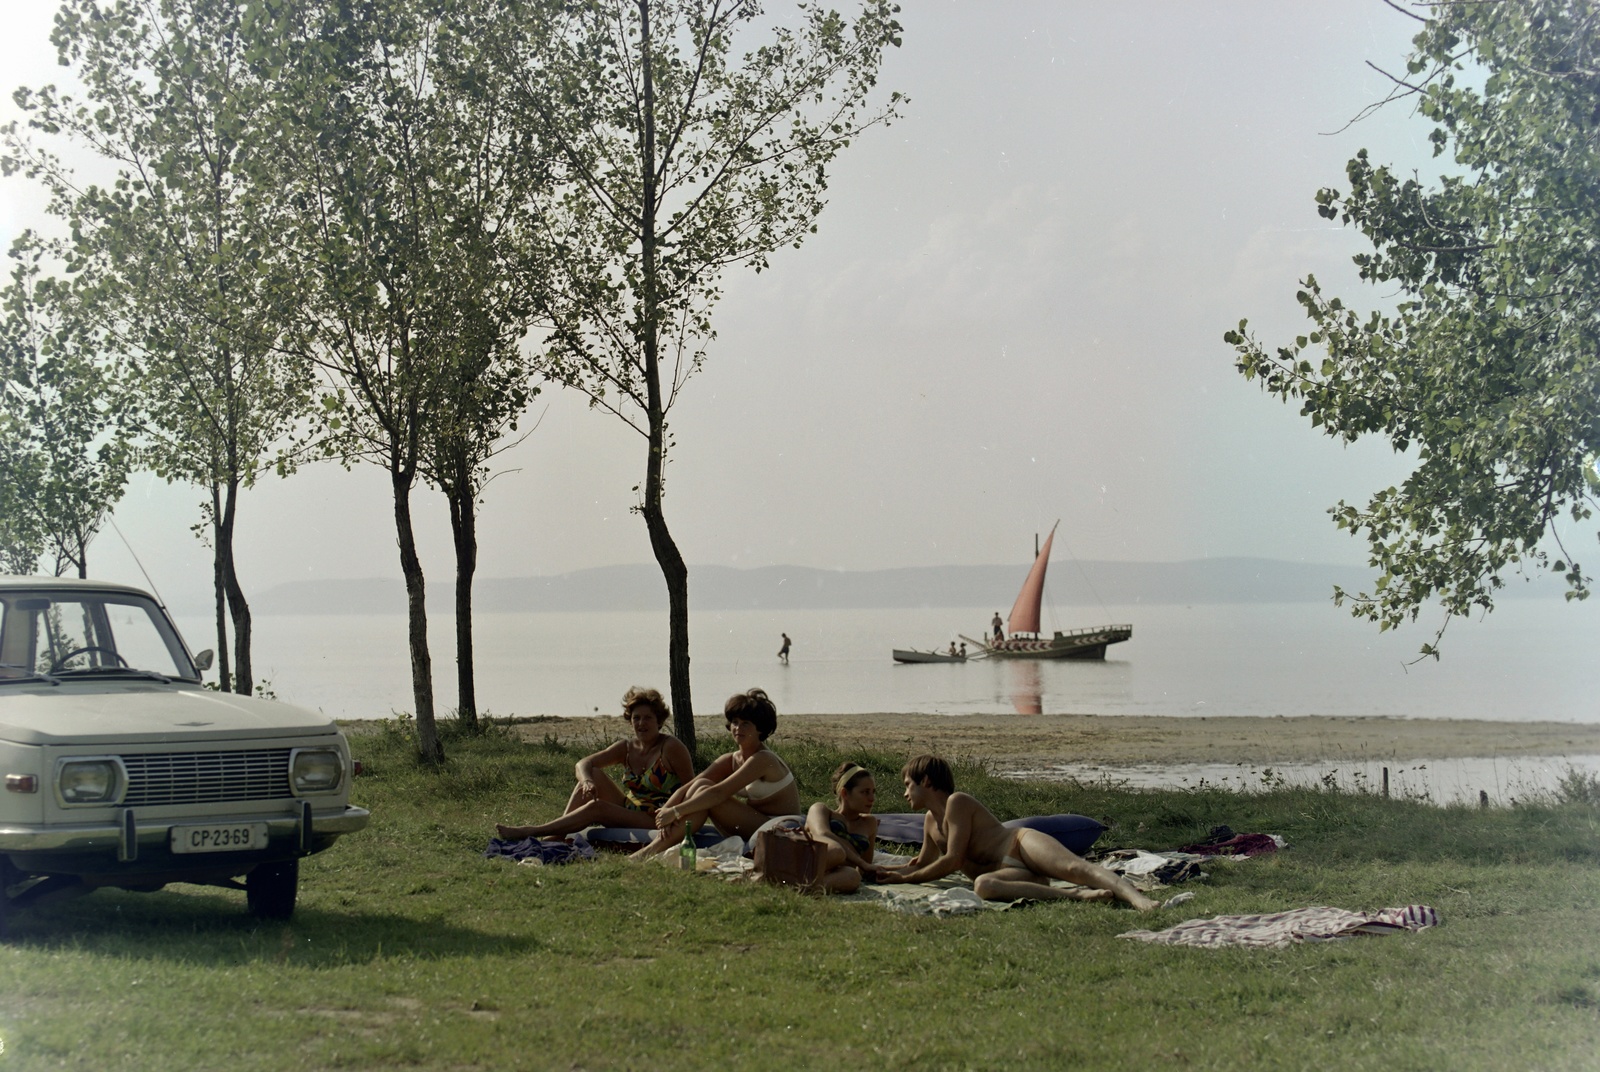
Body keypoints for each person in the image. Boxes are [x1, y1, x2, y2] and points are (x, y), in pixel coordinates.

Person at [876, 754, 1160, 910]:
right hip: (1005, 873)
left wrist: (910, 878)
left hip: (1019, 844)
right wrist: (888, 873)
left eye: (907, 785)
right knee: (983, 886)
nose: (904, 793)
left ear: (925, 781)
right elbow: (924, 864)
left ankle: (1139, 900)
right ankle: (1076, 896)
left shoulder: (957, 802)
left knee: (1077, 866)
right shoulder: (928, 821)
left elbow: (952, 860)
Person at [494, 687, 693, 840]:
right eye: (636, 718)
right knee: (592, 775)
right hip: (629, 808)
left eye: (648, 718)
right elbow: (583, 763)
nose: (642, 724)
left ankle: (533, 832)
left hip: (657, 816)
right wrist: (588, 781)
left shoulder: (671, 747)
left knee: (597, 808)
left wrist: (675, 817)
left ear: (659, 721)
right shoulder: (627, 747)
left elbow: (691, 788)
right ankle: (555, 837)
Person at [631, 688, 800, 860]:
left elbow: (719, 793)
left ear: (760, 729)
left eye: (745, 723)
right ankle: (661, 844)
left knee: (707, 792)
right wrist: (665, 812)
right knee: (701, 784)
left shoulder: (763, 759)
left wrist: (675, 812)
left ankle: (648, 852)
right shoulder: (732, 759)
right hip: (755, 825)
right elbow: (689, 786)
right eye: (734, 722)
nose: (738, 728)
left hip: (781, 828)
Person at [805, 762, 881, 893]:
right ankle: (793, 878)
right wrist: (861, 863)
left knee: (853, 876)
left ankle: (804, 888)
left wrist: (903, 868)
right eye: (865, 792)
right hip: (806, 862)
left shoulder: (869, 823)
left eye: (873, 792)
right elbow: (823, 834)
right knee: (836, 852)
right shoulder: (821, 810)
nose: (872, 798)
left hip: (830, 872)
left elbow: (866, 867)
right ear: (845, 793)